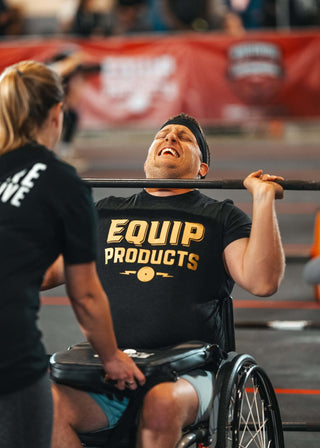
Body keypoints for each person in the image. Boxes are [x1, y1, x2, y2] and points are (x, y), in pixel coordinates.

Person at [42, 113, 285, 448]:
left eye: (184, 138)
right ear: (147, 159)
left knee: (161, 403)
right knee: (44, 402)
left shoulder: (221, 216)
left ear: (203, 169)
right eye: (163, 135)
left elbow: (262, 281)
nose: (170, 138)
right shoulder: (104, 212)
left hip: (189, 372)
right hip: (111, 370)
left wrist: (262, 198)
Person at [0, 60, 144, 448]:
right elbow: (85, 294)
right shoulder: (61, 183)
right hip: (9, 356)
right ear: (56, 113)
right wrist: (111, 357)